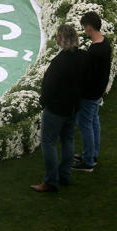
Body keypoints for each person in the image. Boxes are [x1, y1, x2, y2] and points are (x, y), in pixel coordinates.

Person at [31, 24, 86, 193]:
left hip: (55, 109)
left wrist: (44, 103)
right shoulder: (83, 57)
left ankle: (50, 182)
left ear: (61, 40)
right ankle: (65, 176)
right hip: (73, 107)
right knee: (68, 140)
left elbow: (48, 87)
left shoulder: (58, 62)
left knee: (48, 143)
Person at [74, 12, 112, 172]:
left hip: (89, 94)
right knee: (93, 122)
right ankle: (92, 154)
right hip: (97, 93)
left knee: (85, 125)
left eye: (84, 28)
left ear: (89, 28)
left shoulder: (95, 51)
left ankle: (88, 161)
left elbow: (87, 75)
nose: (84, 31)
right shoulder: (105, 43)